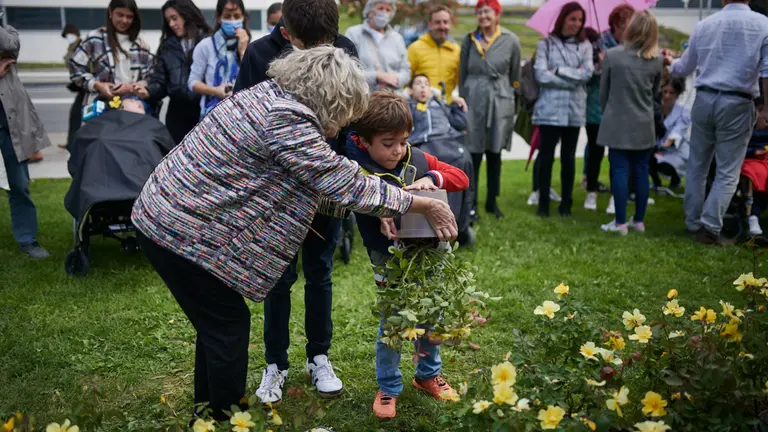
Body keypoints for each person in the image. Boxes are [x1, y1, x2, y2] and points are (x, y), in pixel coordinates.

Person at [132, 46, 458, 420]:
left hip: (166, 218)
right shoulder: (288, 119)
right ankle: (221, 418)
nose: (339, 127)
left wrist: (384, 207)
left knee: (217, 323)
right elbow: (341, 181)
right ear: (330, 98)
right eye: (342, 114)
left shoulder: (271, 95)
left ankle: (207, 412)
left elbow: (315, 189)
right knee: (227, 325)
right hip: (176, 228)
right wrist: (417, 204)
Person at [232, 0, 359, 407]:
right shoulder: (259, 53)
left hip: (324, 187)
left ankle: (318, 356)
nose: (324, 49)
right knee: (279, 278)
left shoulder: (345, 47)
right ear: (286, 32)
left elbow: (353, 117)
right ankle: (275, 363)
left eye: (329, 42)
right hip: (277, 192)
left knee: (320, 271)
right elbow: (245, 119)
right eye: (313, 44)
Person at [344, 92, 466, 419]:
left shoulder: (419, 160)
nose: (397, 150)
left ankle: (427, 375)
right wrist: (376, 209)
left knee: (430, 314)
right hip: (387, 259)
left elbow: (462, 178)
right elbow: (347, 198)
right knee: (393, 320)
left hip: (429, 254)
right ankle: (388, 385)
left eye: (403, 141)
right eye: (388, 143)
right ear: (364, 142)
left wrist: (431, 178)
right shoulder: (356, 170)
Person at [667, 0, 768, 246]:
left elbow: (684, 67)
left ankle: (693, 223)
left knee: (697, 165)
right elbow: (766, 72)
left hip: (704, 98)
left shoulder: (705, 24)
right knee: (727, 170)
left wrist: (670, 63)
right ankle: (710, 226)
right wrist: (765, 110)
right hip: (738, 101)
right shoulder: (763, 24)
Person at [598, 10, 663, 235]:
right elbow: (655, 93)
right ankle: (639, 221)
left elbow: (603, 94)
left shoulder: (613, 56)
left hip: (617, 121)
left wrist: (610, 110)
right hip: (644, 123)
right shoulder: (657, 60)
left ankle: (620, 222)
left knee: (619, 171)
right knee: (642, 171)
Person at [459, 0, 521, 219]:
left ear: (497, 14)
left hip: (500, 98)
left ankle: (492, 201)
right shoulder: (469, 40)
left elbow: (515, 76)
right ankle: (471, 203)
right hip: (474, 99)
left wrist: (509, 96)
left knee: (494, 153)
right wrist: (463, 98)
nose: (483, 15)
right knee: (473, 153)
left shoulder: (511, 40)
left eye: (487, 11)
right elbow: (462, 73)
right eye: (480, 12)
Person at [531, 1, 593, 217]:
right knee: (546, 158)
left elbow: (587, 73)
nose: (576, 23)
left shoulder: (586, 46)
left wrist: (557, 70)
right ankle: (543, 204)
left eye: (580, 20)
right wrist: (571, 77)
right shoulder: (545, 44)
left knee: (568, 159)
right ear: (563, 19)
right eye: (572, 18)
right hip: (549, 111)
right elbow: (541, 75)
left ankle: (566, 203)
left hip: (573, 112)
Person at [0, 24, 52, 259]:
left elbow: (9, 46)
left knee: (19, 185)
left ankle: (27, 239)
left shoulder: (9, 31)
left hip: (11, 126)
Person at [408, 74, 475, 246]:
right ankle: (429, 225)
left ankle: (462, 223)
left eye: (426, 84)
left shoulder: (439, 105)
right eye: (418, 84)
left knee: (465, 160)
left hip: (448, 141)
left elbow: (461, 123)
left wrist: (455, 104)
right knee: (424, 163)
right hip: (425, 144)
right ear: (410, 90)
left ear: (431, 91)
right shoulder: (408, 107)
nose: (423, 88)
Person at [136, 0, 211, 144]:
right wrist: (147, 91)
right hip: (176, 116)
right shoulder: (167, 46)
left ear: (187, 15)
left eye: (174, 18)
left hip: (205, 112)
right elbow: (160, 82)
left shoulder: (209, 42)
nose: (171, 24)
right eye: (168, 20)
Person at [69, 0, 154, 111]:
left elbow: (151, 77)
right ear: (110, 12)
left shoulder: (141, 45)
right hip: (101, 107)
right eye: (120, 15)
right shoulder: (94, 39)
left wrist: (132, 87)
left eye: (129, 17)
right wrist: (97, 85)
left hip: (132, 109)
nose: (124, 20)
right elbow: (75, 68)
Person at [188, 0, 251, 118]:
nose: (233, 21)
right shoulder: (206, 46)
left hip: (242, 115)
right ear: (218, 18)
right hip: (211, 113)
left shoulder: (251, 47)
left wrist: (243, 51)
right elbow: (192, 82)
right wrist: (215, 91)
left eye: (237, 16)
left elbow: (253, 81)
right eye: (227, 16)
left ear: (243, 17)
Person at [345, 0, 411, 93]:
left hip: (392, 99)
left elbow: (406, 70)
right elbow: (347, 69)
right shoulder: (353, 34)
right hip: (363, 99)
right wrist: (376, 76)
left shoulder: (397, 38)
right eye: (380, 8)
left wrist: (395, 79)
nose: (384, 12)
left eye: (388, 10)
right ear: (370, 12)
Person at [407, 5, 461, 104]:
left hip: (447, 108)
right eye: (437, 22)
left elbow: (459, 82)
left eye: (445, 22)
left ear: (450, 24)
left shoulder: (456, 50)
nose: (442, 26)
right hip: (421, 108)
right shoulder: (415, 48)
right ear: (430, 24)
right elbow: (406, 82)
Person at [651, 78, 690, 193]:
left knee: (665, 164)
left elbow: (678, 130)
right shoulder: (654, 108)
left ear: (678, 94)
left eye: (672, 93)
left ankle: (675, 179)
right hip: (656, 148)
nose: (667, 96)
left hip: (677, 151)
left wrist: (670, 140)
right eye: (665, 92)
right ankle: (656, 183)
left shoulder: (684, 112)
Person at [583, 27, 607, 211]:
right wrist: (599, 67)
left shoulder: (607, 47)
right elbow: (587, 78)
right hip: (594, 108)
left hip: (613, 107)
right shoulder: (589, 51)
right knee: (595, 151)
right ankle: (591, 189)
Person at [741, 100, 768, 236]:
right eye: (761, 110)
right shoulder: (746, 126)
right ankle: (753, 216)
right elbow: (738, 149)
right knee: (759, 174)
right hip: (749, 159)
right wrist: (754, 152)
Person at [62, 23, 85, 151]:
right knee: (77, 115)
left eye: (69, 34)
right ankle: (71, 143)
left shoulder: (81, 44)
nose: (69, 37)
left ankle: (72, 143)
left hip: (85, 85)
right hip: (81, 85)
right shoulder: (72, 46)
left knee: (78, 114)